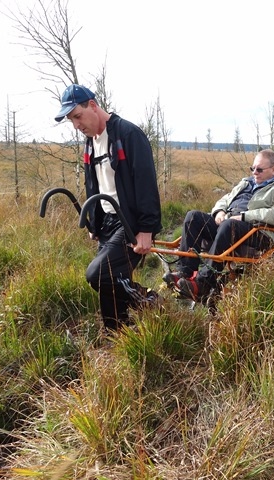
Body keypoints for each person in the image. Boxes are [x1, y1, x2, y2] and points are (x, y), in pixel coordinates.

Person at [54, 84, 162, 330]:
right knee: (109, 281)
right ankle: (117, 333)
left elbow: (146, 184)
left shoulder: (129, 135)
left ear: (93, 105)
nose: (76, 125)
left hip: (131, 222)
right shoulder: (90, 142)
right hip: (107, 222)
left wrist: (146, 229)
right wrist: (95, 221)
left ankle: (152, 302)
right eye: (72, 121)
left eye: (78, 117)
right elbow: (92, 183)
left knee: (98, 274)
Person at [164, 149, 274, 302]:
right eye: (253, 168)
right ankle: (185, 273)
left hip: (259, 231)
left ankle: (203, 283)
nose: (255, 172)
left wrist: (244, 216)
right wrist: (219, 211)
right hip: (228, 222)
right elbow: (226, 198)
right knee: (193, 216)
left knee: (229, 225)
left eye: (259, 169)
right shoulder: (246, 182)